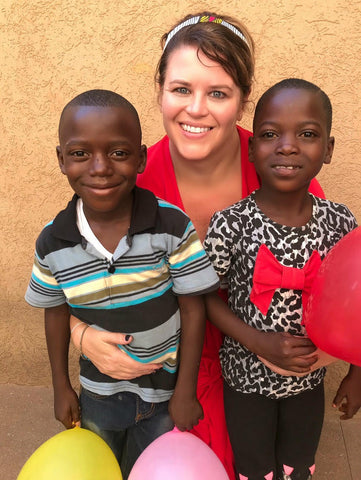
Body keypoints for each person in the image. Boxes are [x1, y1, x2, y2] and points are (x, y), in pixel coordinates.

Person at [69, 13, 326, 479]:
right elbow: (71, 266)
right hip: (161, 373)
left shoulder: (282, 169)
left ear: (243, 102)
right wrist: (79, 332)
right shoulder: (127, 177)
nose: (196, 109)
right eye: (182, 89)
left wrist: (322, 350)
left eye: (219, 93)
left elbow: (330, 282)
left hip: (259, 376)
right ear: (161, 91)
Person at [25, 89, 220, 478]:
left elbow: (192, 307)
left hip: (165, 391)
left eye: (118, 153)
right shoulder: (53, 242)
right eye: (80, 153)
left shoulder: (171, 226)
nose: (100, 168)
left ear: (142, 157)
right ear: (61, 160)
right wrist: (60, 386)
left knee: (151, 467)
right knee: (103, 465)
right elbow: (55, 310)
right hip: (99, 391)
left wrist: (185, 390)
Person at [203, 78, 361, 480]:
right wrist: (257, 340)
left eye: (307, 134)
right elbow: (203, 297)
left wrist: (357, 374)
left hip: (309, 382)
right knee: (254, 468)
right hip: (245, 380)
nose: (287, 145)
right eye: (271, 134)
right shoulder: (230, 223)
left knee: (298, 466)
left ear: (328, 150)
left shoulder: (340, 223)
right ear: (253, 150)